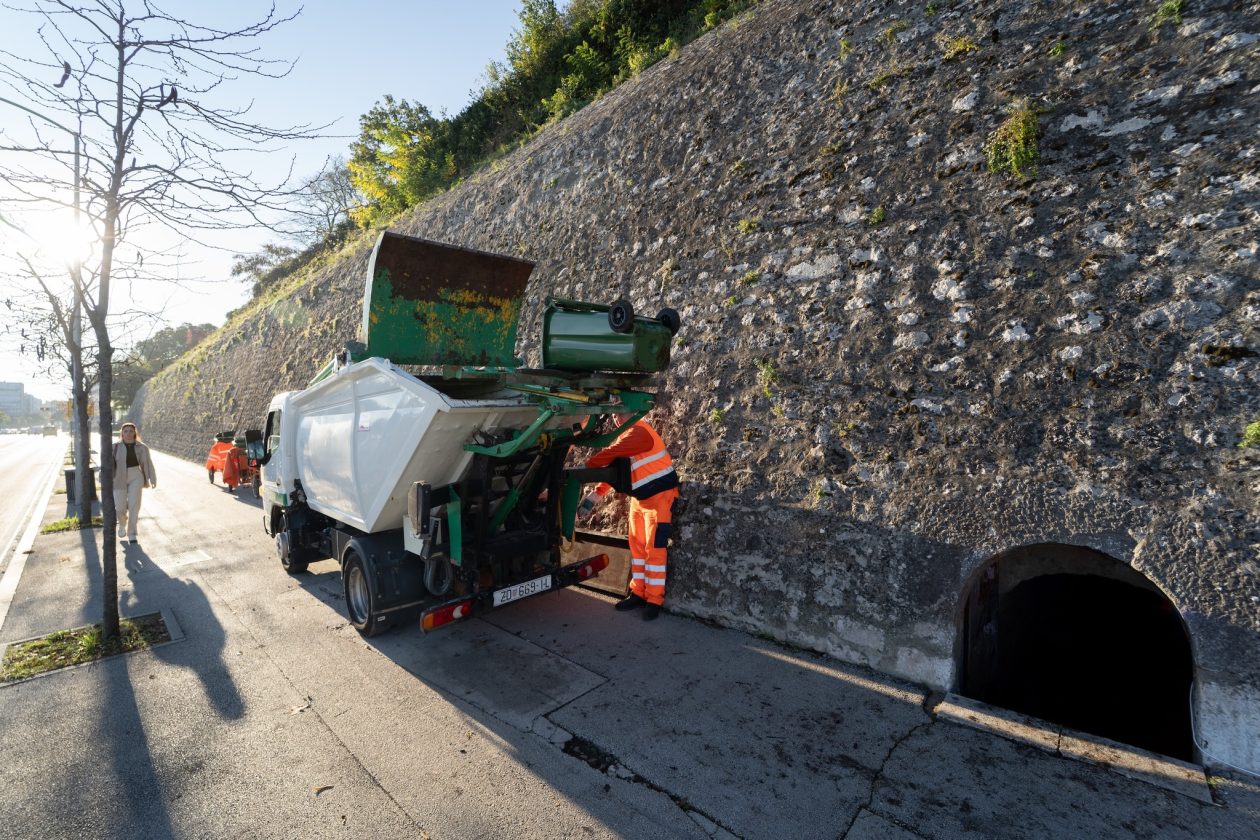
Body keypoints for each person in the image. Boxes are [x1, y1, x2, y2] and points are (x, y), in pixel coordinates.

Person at [582, 411, 680, 621]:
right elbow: (616, 472)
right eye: (615, 414)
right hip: (641, 500)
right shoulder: (626, 436)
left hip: (659, 499)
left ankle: (654, 600)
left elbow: (612, 453)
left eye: (622, 413)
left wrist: (586, 467)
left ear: (634, 413)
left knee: (653, 550)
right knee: (637, 546)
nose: (617, 418)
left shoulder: (639, 432)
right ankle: (638, 593)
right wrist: (596, 495)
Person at [112, 421, 157, 544]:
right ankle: (122, 524)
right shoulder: (115, 446)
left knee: (134, 505)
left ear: (135, 432)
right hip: (118, 477)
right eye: (125, 431)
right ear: (121, 433)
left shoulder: (142, 447)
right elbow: (107, 464)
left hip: (136, 476)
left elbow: (148, 463)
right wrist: (103, 477)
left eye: (131, 431)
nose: (128, 433)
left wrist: (152, 478)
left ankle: (132, 533)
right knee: (120, 507)